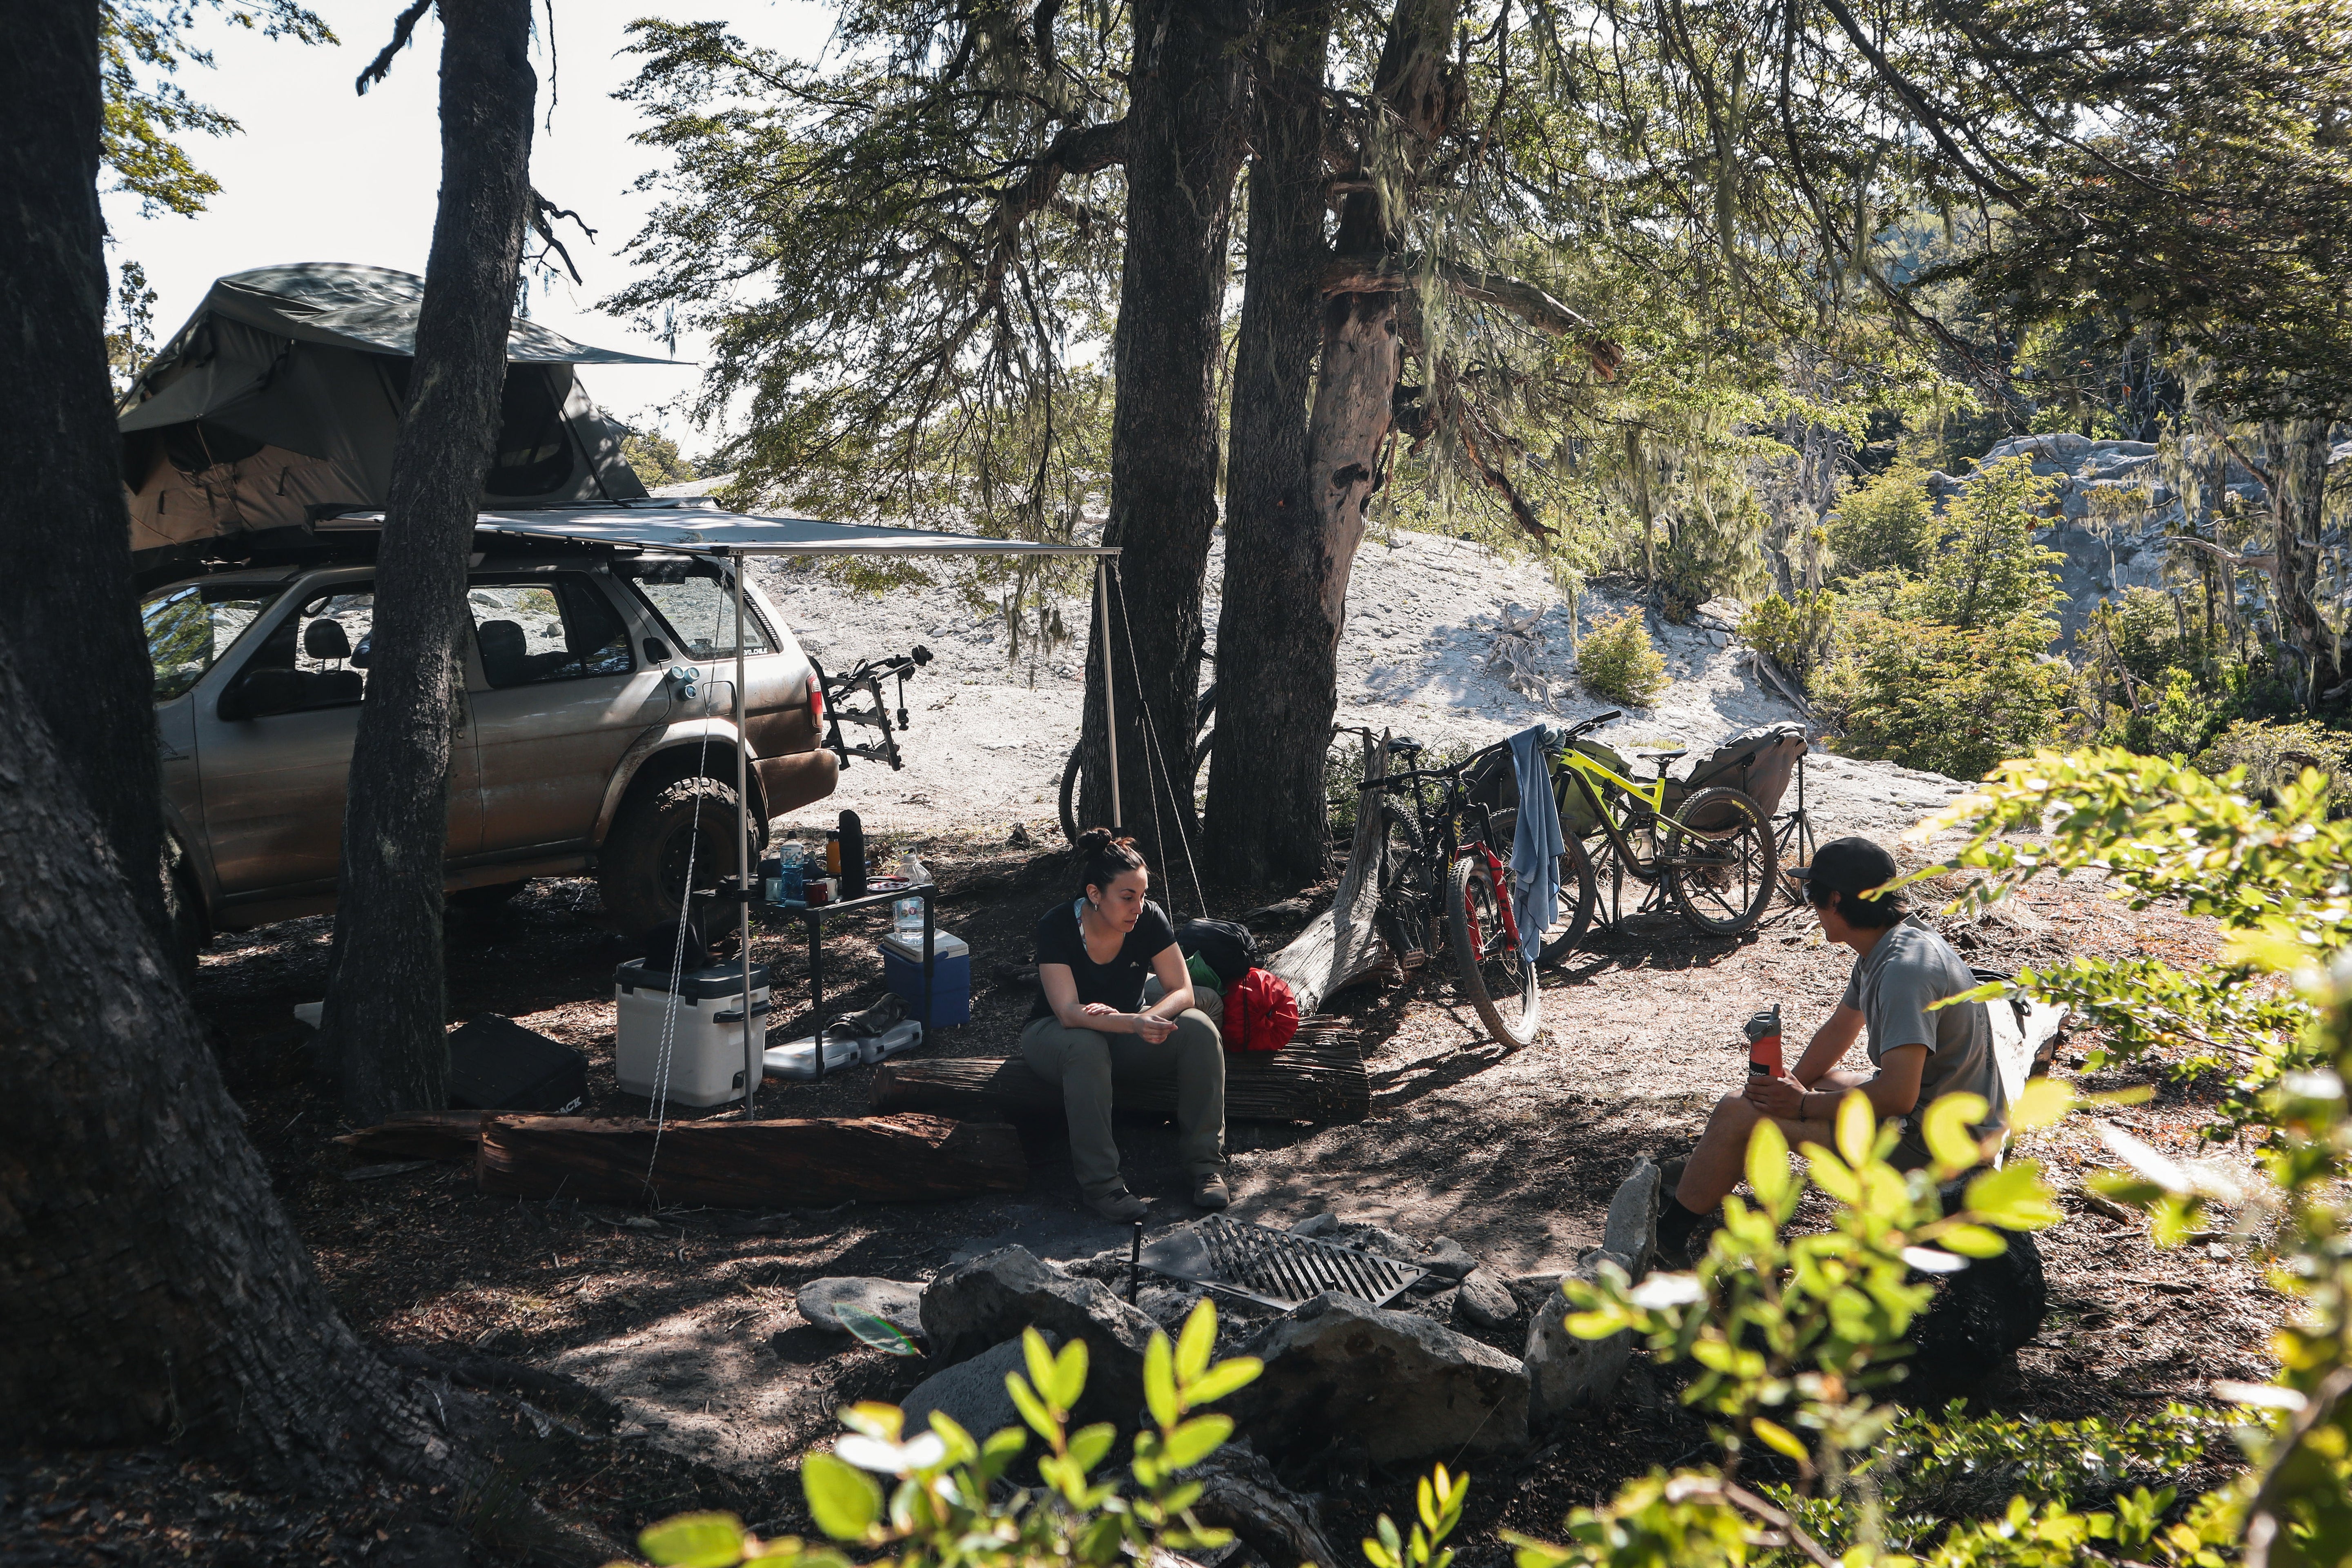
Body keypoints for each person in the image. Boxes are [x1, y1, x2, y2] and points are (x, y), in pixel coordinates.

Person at [1654, 835, 2005, 1265]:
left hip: (1941, 1147)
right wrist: (1791, 1087)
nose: (1812, 907)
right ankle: (1708, 1168)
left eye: (1811, 894)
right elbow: (1841, 1029)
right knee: (1800, 1088)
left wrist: (1799, 1106)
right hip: (1950, 1120)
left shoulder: (1903, 973)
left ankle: (1666, 1241)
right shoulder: (1891, 942)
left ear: (1835, 899)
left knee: (1737, 1110)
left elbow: (1898, 1096)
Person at [1022, 829, 1229, 1222]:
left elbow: (1182, 990)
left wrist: (1150, 1018)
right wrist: (1133, 1021)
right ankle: (1103, 1187)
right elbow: (1068, 1012)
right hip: (1056, 1036)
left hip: (1125, 1033)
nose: (1138, 906)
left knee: (1200, 1028)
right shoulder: (1058, 926)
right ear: (1095, 894)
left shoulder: (1148, 918)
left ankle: (1206, 1167)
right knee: (1087, 1047)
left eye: (1143, 895)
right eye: (1127, 897)